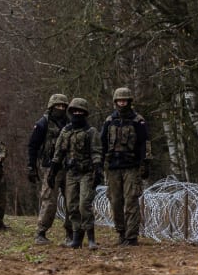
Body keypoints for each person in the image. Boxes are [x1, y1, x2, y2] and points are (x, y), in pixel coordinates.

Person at [48, 98, 102, 249]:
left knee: (84, 204)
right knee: (71, 206)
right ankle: (77, 238)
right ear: (70, 113)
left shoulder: (91, 132)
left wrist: (98, 169)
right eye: (74, 111)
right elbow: (58, 153)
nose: (77, 114)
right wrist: (52, 171)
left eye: (80, 112)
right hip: (71, 173)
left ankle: (91, 238)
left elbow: (96, 152)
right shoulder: (66, 131)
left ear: (85, 114)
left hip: (87, 173)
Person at [100, 87, 149, 246]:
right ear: (115, 102)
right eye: (120, 101)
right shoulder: (109, 121)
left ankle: (132, 236)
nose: (122, 103)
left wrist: (145, 163)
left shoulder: (138, 121)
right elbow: (102, 144)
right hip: (113, 167)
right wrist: (100, 164)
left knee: (131, 201)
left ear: (129, 102)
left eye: (125, 100)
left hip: (131, 167)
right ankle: (121, 232)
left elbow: (144, 143)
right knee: (115, 201)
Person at [27, 94, 72, 245]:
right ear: (51, 107)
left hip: (69, 167)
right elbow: (33, 146)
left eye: (63, 106)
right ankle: (41, 232)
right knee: (49, 201)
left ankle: (70, 233)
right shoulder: (42, 123)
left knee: (71, 200)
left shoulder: (70, 122)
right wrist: (31, 166)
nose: (60, 109)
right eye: (57, 106)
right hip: (49, 167)